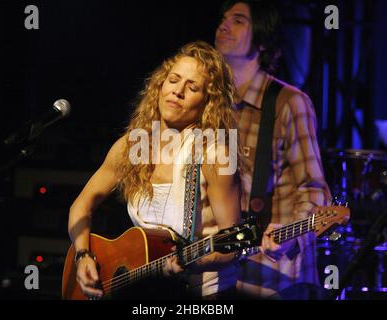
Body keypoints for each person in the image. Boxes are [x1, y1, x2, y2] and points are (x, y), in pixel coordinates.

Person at [67, 41, 243, 300]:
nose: (178, 92)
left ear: (208, 102)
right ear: (160, 85)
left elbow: (234, 243)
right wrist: (83, 256)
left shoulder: (214, 154)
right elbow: (81, 206)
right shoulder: (131, 146)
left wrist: (193, 262)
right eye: (173, 80)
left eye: (192, 87)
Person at [215, 0, 332, 299]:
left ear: (263, 41)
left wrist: (290, 234)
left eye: (238, 20)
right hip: (221, 279)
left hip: (275, 281)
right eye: (224, 18)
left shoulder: (290, 102)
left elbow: (314, 189)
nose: (223, 25)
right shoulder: (212, 106)